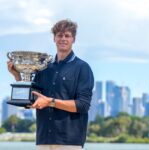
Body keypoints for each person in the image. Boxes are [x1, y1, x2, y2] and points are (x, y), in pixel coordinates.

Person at [7, 19, 94, 150]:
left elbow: (83, 105)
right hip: (43, 139)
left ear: (73, 39)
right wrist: (17, 75)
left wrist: (50, 102)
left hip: (69, 142)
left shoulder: (82, 68)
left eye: (67, 35)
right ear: (54, 38)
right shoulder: (44, 68)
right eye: (59, 35)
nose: (63, 39)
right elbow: (32, 97)